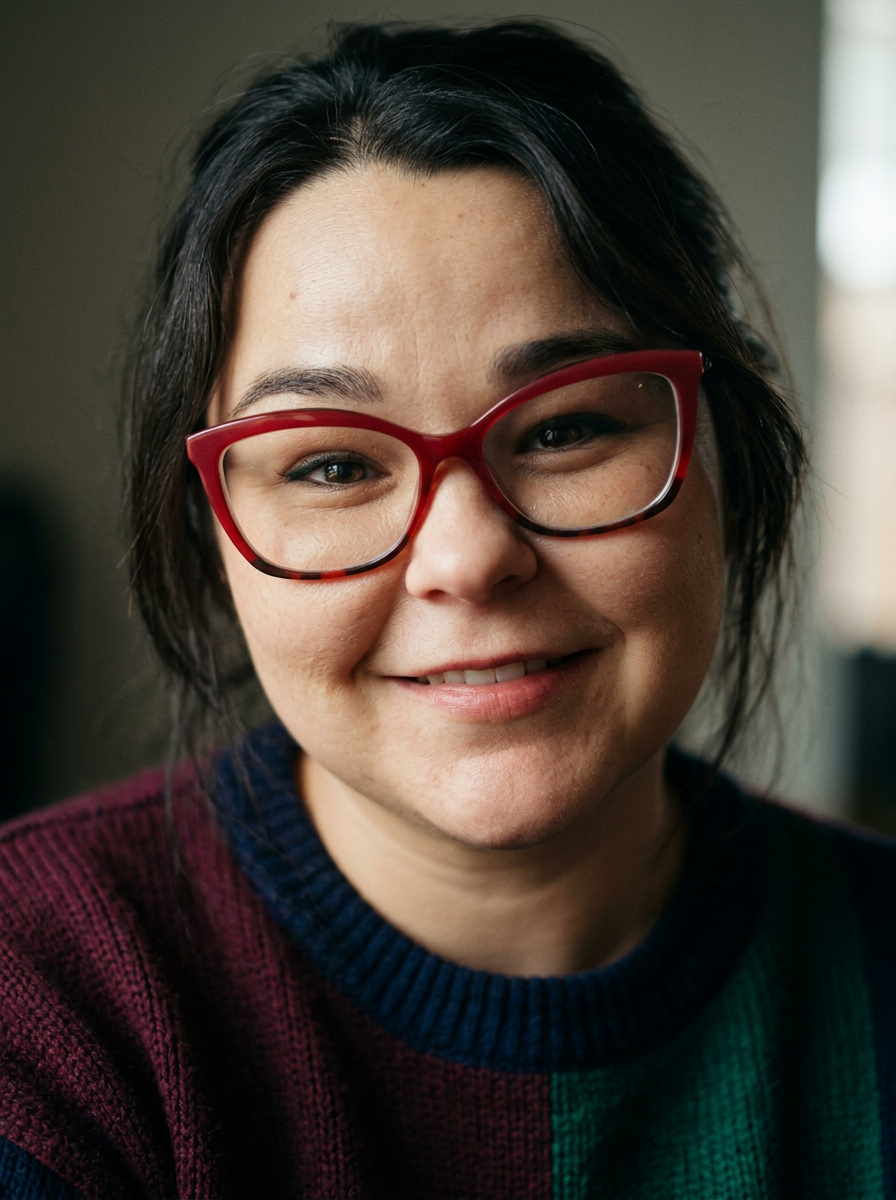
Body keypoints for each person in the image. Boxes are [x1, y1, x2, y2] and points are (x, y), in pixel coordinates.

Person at [0, 20, 893, 1200]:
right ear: (211, 533)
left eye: (567, 428)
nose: (465, 558)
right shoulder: (41, 1013)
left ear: (731, 456)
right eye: (329, 465)